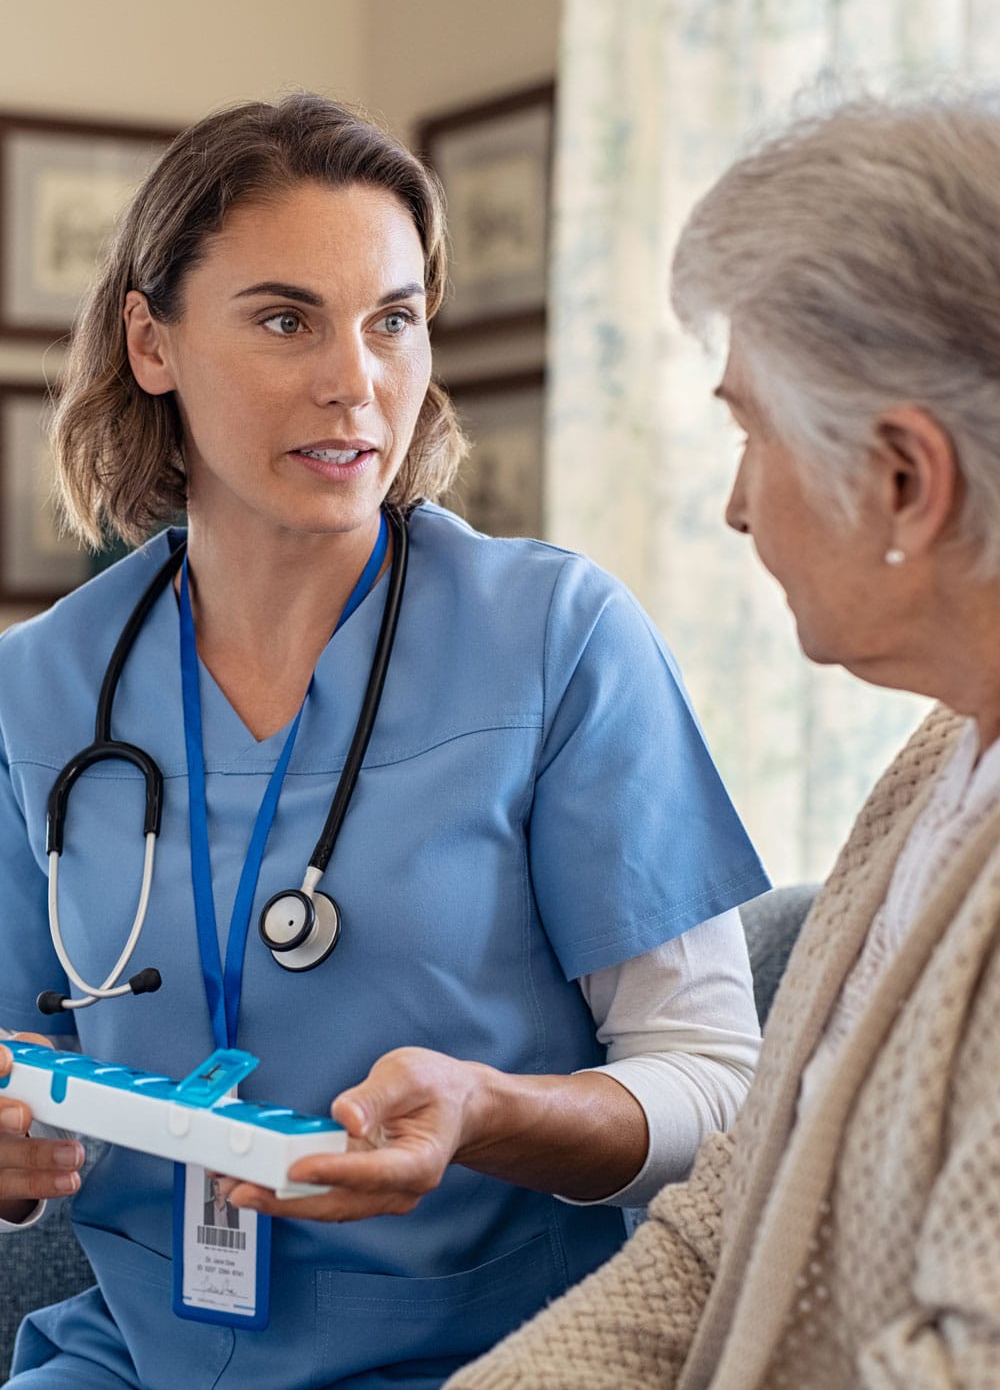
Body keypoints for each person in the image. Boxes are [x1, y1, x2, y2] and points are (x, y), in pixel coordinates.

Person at [0, 93, 768, 1390]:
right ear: (152, 343)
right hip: (136, 1361)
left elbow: (712, 1089)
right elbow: (26, 1065)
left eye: (393, 322)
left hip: (491, 1364)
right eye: (286, 318)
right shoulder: (38, 689)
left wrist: (486, 1112)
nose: (356, 382)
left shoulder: (556, 638)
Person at [445, 90, 1000, 1390]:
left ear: (907, 481)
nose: (738, 505)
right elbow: (718, 1231)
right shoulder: (938, 764)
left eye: (751, 431)